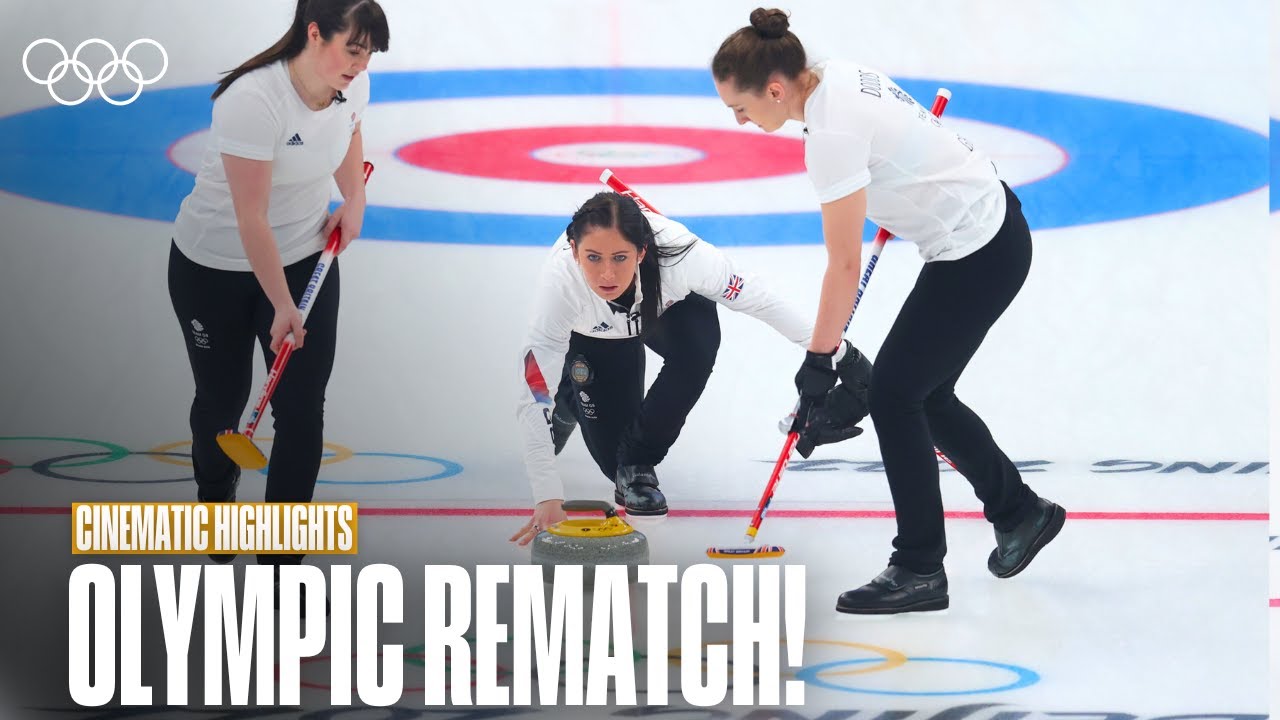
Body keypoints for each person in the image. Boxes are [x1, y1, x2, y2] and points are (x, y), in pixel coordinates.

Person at [710, 8, 1065, 614]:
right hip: (987, 229)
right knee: (923, 393)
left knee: (895, 395)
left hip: (978, 250)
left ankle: (919, 567)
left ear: (775, 88)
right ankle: (1019, 511)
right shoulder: (827, 73)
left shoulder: (830, 137)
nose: (740, 120)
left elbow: (843, 266)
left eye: (740, 107)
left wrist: (819, 364)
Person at [510, 191, 872, 546]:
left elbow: (761, 301)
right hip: (594, 332)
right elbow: (533, 390)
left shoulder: (686, 257)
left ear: (642, 251)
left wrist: (840, 354)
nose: (607, 273)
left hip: (664, 309)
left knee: (696, 348)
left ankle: (638, 464)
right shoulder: (560, 285)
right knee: (606, 455)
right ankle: (570, 401)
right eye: (593, 257)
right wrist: (547, 495)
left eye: (620, 257)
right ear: (574, 251)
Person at [168, 0, 389, 572]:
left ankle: (279, 564)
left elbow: (348, 135)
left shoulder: (351, 83)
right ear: (314, 34)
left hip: (305, 255)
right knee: (221, 400)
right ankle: (216, 502)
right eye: (353, 49)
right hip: (214, 267)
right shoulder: (252, 99)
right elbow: (251, 219)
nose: (361, 65)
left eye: (369, 54)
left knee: (301, 408)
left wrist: (355, 201)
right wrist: (284, 306)